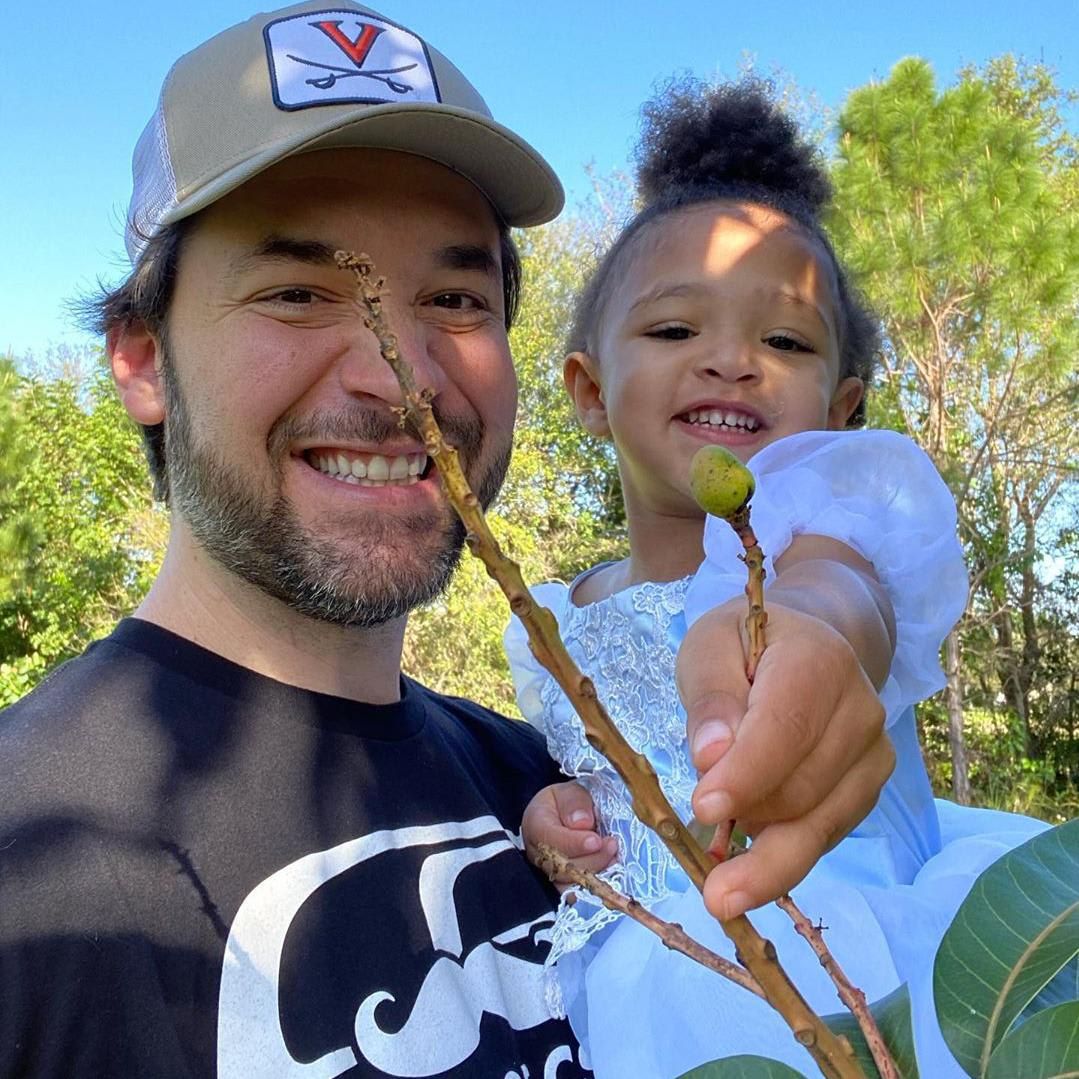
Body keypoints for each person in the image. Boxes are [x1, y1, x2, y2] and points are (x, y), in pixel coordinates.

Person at [0, 8, 896, 1078]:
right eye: (297, 292)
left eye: (454, 298)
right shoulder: (30, 869)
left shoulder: (550, 777)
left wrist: (822, 618)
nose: (402, 375)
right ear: (143, 360)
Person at [506, 79, 1048, 1077]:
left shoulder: (828, 532)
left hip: (866, 953)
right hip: (663, 980)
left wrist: (813, 622)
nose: (729, 361)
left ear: (842, 408)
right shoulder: (544, 618)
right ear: (587, 390)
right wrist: (562, 827)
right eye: (673, 331)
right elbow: (587, 785)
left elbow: (840, 593)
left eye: (784, 342)